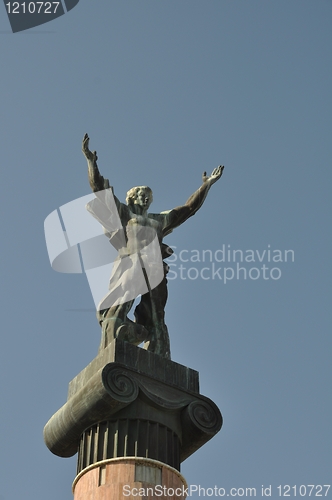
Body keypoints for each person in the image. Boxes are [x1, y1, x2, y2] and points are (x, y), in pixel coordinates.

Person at [82, 133, 224, 359]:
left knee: (157, 313)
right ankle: (114, 338)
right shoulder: (126, 214)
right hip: (130, 263)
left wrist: (206, 185)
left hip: (154, 267)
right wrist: (91, 161)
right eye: (140, 194)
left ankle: (158, 349)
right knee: (122, 300)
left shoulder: (160, 220)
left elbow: (188, 209)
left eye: (148, 195)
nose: (145, 198)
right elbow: (100, 190)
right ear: (131, 198)